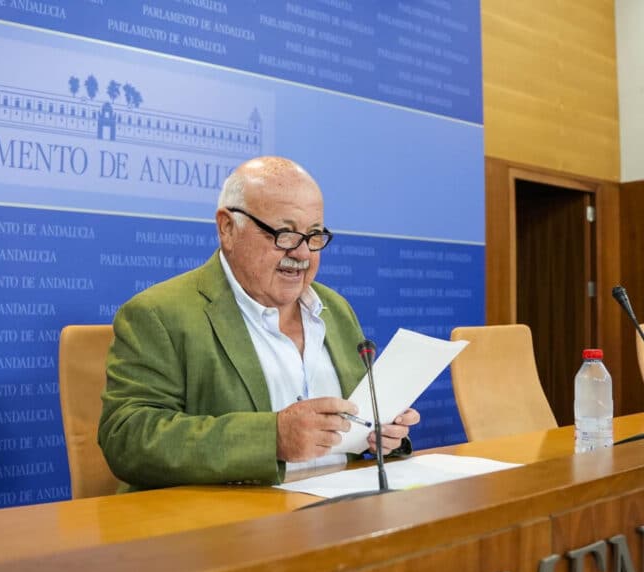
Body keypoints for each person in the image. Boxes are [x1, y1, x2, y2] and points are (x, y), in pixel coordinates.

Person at [98, 156, 420, 492]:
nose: (303, 254)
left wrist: (382, 434)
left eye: (313, 235)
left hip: (343, 514)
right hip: (230, 527)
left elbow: (361, 420)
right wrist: (273, 438)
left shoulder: (335, 309)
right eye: (285, 233)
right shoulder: (158, 314)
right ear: (228, 228)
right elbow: (128, 437)